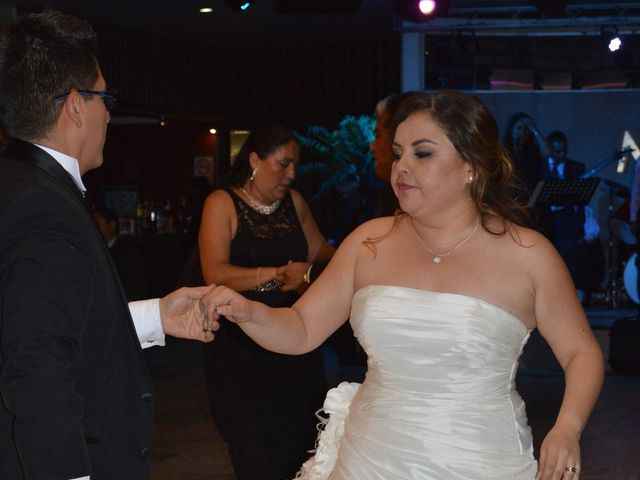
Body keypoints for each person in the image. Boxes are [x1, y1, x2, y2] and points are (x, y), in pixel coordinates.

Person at [201, 90, 605, 480]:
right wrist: (247, 310)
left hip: (481, 456)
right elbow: (303, 329)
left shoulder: (528, 254)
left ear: (471, 166)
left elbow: (581, 352)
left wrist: (567, 428)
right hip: (370, 458)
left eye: (422, 153)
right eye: (397, 154)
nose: (401, 167)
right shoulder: (368, 242)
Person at [0, 12, 219, 480]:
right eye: (106, 98)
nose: (108, 113)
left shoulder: (18, 182)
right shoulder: (44, 204)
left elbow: (42, 320)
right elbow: (37, 364)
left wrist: (157, 316)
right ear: (76, 105)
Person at [198, 121, 335, 479]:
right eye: (283, 163)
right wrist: (274, 274)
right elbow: (214, 272)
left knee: (302, 440)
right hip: (241, 344)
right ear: (255, 160)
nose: (291, 173)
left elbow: (324, 254)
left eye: (295, 165)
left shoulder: (295, 204)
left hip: (293, 338)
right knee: (254, 446)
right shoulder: (222, 202)